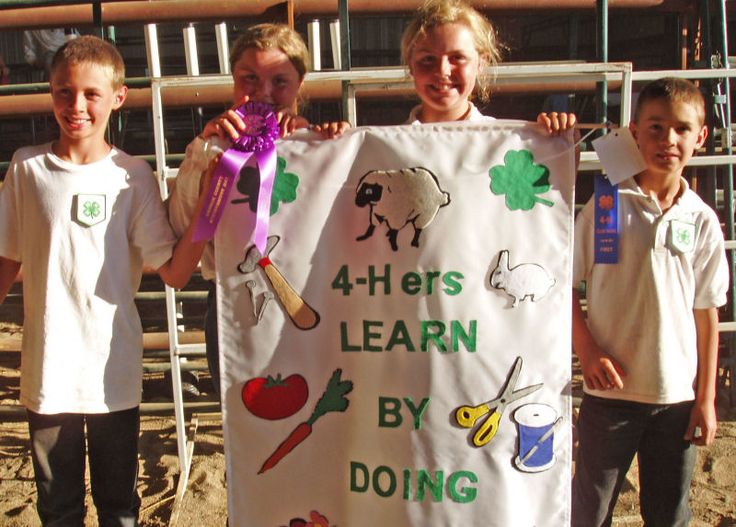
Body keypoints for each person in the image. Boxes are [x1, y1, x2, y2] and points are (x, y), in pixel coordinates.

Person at [0, 35, 210, 525]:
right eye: (64, 92)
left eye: (91, 94)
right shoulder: (26, 167)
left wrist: (208, 214)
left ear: (118, 97)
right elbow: (6, 257)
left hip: (111, 372)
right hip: (47, 369)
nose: (76, 106)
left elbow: (175, 271)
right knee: (57, 506)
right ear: (50, 93)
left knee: (118, 505)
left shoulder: (132, 176)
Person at [571, 77, 729, 526]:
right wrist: (587, 349)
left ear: (700, 137)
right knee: (591, 511)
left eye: (681, 129)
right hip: (610, 397)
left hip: (675, 399)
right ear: (635, 131)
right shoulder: (605, 207)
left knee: (668, 513)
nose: (668, 140)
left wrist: (705, 398)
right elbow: (566, 285)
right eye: (656, 128)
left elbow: (707, 311)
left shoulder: (701, 220)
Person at [168, 23, 348, 398]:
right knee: (240, 417)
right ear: (233, 78)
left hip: (313, 298)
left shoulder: (320, 142)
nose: (263, 92)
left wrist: (334, 141)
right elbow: (181, 225)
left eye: (279, 81)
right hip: (233, 301)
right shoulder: (212, 147)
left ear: (300, 83)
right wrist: (205, 151)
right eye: (249, 78)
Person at [400, 0, 576, 135]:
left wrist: (560, 140)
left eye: (458, 57)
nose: (442, 70)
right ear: (411, 64)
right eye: (428, 59)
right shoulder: (386, 148)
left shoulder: (503, 141)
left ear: (481, 62)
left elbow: (557, 181)